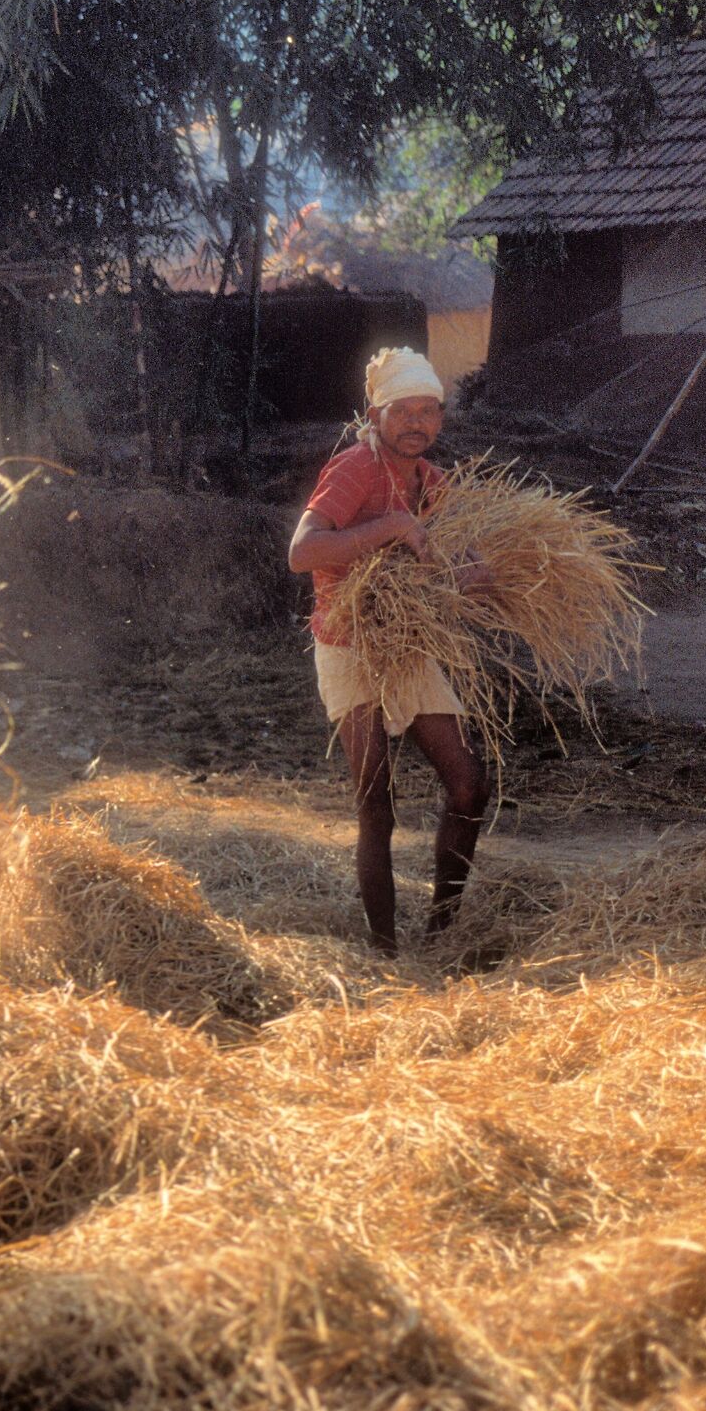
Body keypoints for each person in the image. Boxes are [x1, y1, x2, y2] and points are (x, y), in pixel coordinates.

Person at [286, 348, 488, 957]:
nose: (416, 424)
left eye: (428, 412)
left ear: (440, 420)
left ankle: (441, 931)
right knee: (377, 803)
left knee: (468, 786)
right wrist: (392, 527)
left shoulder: (432, 483)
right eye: (403, 411)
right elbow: (303, 552)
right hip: (348, 645)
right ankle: (384, 950)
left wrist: (476, 574)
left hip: (405, 648)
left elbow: (454, 561)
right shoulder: (355, 469)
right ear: (376, 416)